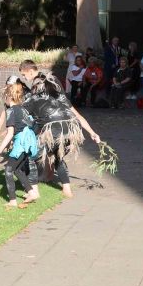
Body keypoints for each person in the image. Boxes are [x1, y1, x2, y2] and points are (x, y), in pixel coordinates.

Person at [21, 70, 102, 199]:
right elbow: (79, 116)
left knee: (29, 156)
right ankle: (66, 189)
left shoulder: (33, 99)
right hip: (71, 132)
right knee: (58, 157)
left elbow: (20, 117)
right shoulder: (61, 97)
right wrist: (93, 133)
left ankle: (34, 191)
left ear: (36, 87)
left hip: (53, 132)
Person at [0, 81, 39, 208]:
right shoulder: (23, 109)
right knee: (16, 169)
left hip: (22, 143)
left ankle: (12, 200)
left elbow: (10, 133)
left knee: (8, 170)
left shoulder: (11, 111)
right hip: (29, 142)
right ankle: (32, 192)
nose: (3, 100)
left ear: (8, 97)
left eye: (4, 97)